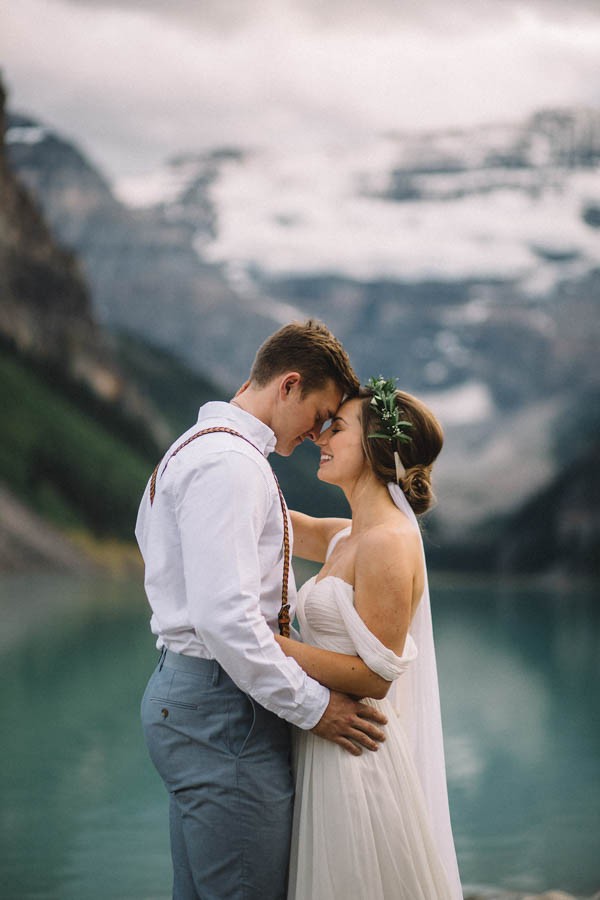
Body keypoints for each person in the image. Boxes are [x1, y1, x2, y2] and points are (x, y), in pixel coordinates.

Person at [136, 321, 387, 900]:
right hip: (225, 710)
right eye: (320, 414)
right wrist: (316, 708)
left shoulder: (198, 449)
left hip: (195, 696)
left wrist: (386, 532)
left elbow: (159, 541)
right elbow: (227, 621)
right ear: (289, 385)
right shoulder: (230, 464)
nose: (318, 433)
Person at [274, 377, 463, 900]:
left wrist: (265, 647)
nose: (322, 437)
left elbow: (376, 677)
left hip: (356, 757)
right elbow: (287, 524)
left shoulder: (387, 542)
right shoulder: (351, 534)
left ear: (376, 445)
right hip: (325, 743)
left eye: (337, 427)